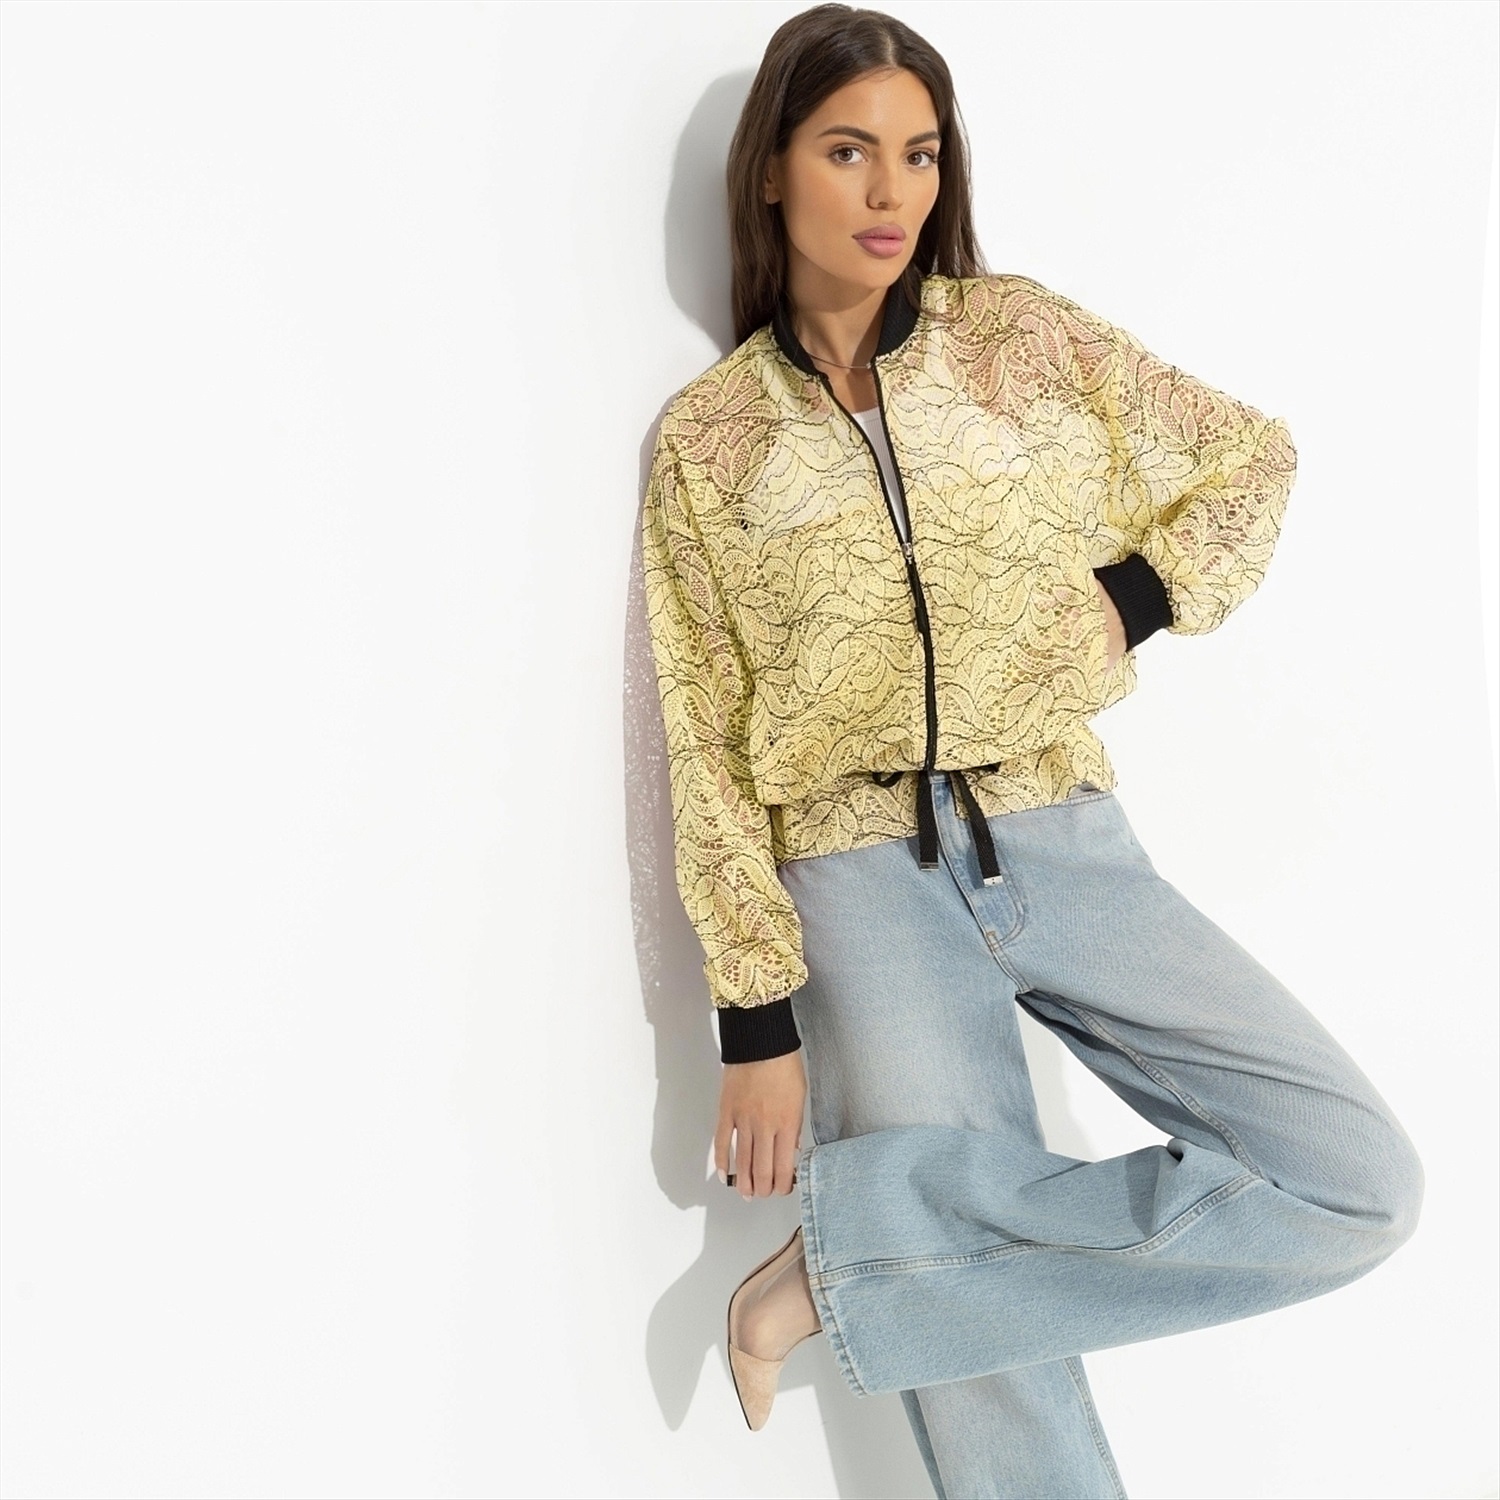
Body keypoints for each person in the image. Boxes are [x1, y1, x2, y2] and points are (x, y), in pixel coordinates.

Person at [639, 5, 1424, 1495]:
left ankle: (854, 1262)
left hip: (1057, 831)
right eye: (849, 151)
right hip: (855, 875)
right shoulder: (711, 441)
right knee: (988, 1360)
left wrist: (1132, 600)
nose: (891, 193)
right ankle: (893, 1267)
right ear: (771, 171)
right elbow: (707, 731)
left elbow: (1250, 457)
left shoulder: (1018, 342)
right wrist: (755, 1020)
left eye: (920, 154)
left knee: (1356, 1182)